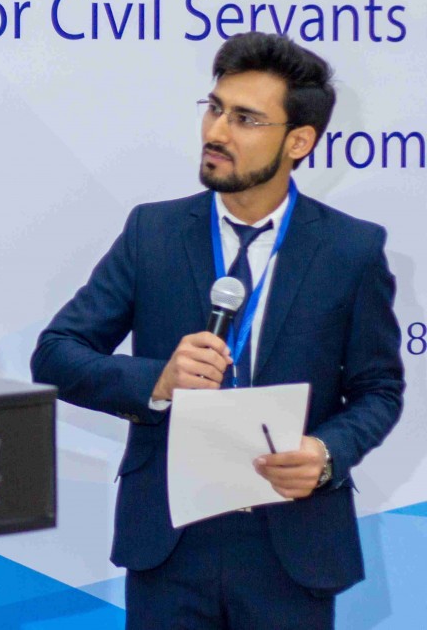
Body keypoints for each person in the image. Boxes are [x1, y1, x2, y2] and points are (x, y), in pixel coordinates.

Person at [31, 32, 404, 630]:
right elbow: (55, 354)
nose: (216, 131)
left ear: (298, 141)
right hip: (171, 541)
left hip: (292, 541)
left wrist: (326, 453)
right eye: (215, 109)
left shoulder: (350, 249)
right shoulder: (152, 233)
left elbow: (378, 389)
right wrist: (158, 381)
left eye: (245, 119)